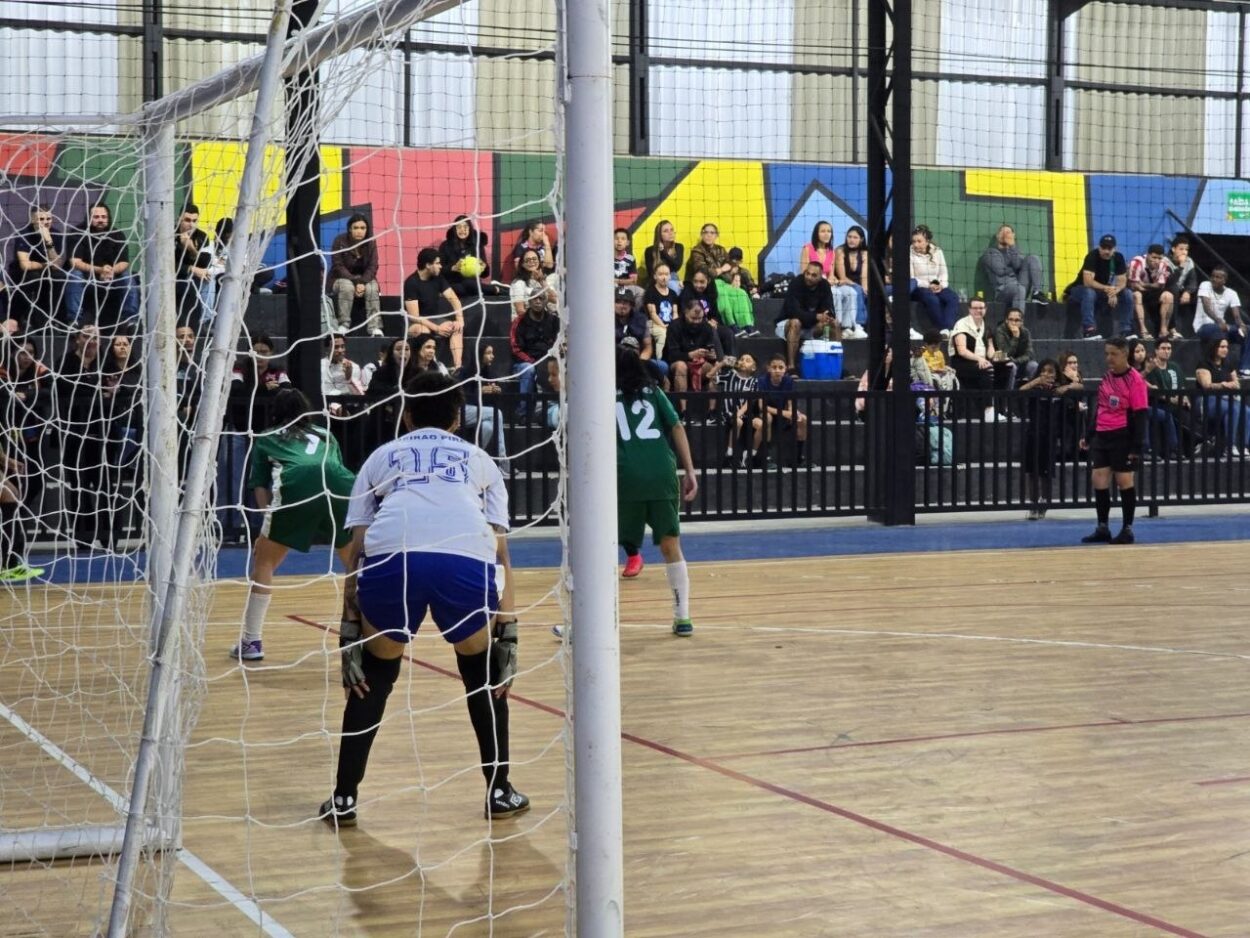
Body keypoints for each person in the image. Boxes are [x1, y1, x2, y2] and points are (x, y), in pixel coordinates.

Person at [320, 370, 527, 826]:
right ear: (457, 418)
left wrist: (349, 628)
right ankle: (499, 791)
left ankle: (344, 799)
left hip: (393, 557)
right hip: (463, 557)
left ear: (407, 415)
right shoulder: (480, 460)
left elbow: (357, 548)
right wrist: (509, 629)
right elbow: (501, 551)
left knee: (373, 678)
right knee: (483, 675)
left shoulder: (381, 457)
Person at [226, 389, 357, 661]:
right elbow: (332, 468)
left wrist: (267, 528)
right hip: (340, 487)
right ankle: (365, 636)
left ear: (275, 411)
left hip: (296, 484)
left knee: (264, 562)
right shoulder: (325, 433)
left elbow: (259, 486)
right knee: (354, 566)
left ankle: (251, 641)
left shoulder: (267, 437)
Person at [613, 345, 698, 637]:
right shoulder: (655, 392)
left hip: (625, 475)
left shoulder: (603, 395)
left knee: (601, 548)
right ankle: (683, 617)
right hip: (662, 473)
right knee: (671, 546)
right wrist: (690, 470)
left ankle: (587, 623)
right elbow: (677, 427)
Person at [1080, 337, 1148, 545]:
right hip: (1103, 434)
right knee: (1098, 479)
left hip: (1122, 435)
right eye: (1107, 354)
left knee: (1124, 481)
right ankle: (1103, 527)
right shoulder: (1107, 377)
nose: (1109, 358)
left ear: (1125, 354)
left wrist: (1136, 446)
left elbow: (1140, 414)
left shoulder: (1135, 380)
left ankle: (1127, 529)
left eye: (1113, 354)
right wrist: (1089, 434)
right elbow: (1100, 408)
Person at [65, 202, 139, 329]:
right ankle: (74, 320)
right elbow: (75, 262)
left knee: (127, 277)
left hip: (111, 276)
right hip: (87, 276)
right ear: (89, 218)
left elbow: (124, 262)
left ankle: (131, 321)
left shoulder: (117, 234)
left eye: (104, 217)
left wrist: (111, 271)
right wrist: (100, 270)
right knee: (75, 275)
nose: (100, 220)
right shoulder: (77, 233)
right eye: (96, 217)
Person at [949, 298, 1010, 422]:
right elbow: (962, 351)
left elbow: (990, 351)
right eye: (975, 308)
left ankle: (1001, 408)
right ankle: (988, 410)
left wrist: (1002, 357)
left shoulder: (986, 326)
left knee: (1007, 367)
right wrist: (980, 359)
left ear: (985, 309)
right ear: (969, 309)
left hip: (981, 360)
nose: (978, 310)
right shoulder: (961, 325)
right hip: (962, 363)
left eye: (981, 308)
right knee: (987, 368)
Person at [663, 298, 724, 421]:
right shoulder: (674, 326)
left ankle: (712, 412)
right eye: (693, 318)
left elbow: (711, 350)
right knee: (681, 366)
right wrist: (691, 355)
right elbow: (672, 355)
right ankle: (683, 411)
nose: (696, 321)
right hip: (677, 363)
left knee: (715, 368)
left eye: (699, 318)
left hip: (700, 364)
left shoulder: (707, 327)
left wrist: (712, 356)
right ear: (685, 312)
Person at [403, 247, 464, 369]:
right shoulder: (411, 282)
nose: (441, 266)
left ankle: (458, 367)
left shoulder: (438, 278)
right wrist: (437, 328)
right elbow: (414, 317)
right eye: (437, 263)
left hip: (435, 319)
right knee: (424, 331)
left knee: (456, 327)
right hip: (415, 323)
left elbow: (454, 300)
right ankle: (430, 366)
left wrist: (460, 320)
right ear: (428, 265)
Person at [9, 204, 66, 329]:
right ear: (33, 220)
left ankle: (51, 319)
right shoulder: (23, 234)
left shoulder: (56, 234)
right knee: (33, 277)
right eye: (41, 219)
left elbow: (56, 266)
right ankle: (20, 317)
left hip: (46, 271)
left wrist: (48, 240)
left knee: (59, 276)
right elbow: (25, 265)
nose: (45, 222)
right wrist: (45, 264)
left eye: (48, 219)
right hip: (22, 273)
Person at [1020, 359, 1062, 520]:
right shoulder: (1034, 388)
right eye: (1043, 371)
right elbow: (1020, 391)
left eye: (1050, 371)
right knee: (1033, 471)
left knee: (1047, 472)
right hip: (1033, 433)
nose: (1046, 374)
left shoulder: (1058, 390)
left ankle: (1044, 501)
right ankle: (1033, 503)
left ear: (1056, 374)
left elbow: (1079, 386)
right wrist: (1036, 381)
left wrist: (1067, 387)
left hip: (1050, 436)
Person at [1068, 234, 1132, 340]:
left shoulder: (1118, 257)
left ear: (1114, 249)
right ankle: (1088, 330)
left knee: (1127, 293)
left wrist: (1115, 291)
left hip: (1102, 291)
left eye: (1109, 248)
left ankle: (1126, 330)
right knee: (1089, 292)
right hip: (1079, 289)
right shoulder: (1092, 256)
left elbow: (1122, 281)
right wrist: (1108, 289)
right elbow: (1088, 282)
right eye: (1103, 248)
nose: (1106, 251)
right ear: (1099, 247)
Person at [1194, 336, 1250, 456]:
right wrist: (1224, 385)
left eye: (1227, 347)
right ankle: (1229, 446)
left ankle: (1244, 446)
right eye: (1222, 347)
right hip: (1206, 400)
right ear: (1214, 348)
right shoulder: (1204, 364)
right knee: (1232, 409)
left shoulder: (1228, 364)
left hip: (1225, 398)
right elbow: (1207, 385)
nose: (1225, 349)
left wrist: (1232, 385)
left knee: (1247, 411)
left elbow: (1236, 384)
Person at [776, 261, 836, 371]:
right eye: (807, 273)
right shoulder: (796, 283)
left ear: (820, 277)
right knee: (796, 323)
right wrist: (816, 317)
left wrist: (827, 317)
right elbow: (793, 312)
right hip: (788, 324)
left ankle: (836, 366)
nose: (809, 277)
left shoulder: (825, 285)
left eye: (813, 275)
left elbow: (830, 310)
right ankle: (791, 367)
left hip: (812, 327)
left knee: (834, 324)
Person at [329, 212, 382, 335]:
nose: (359, 231)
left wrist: (362, 282)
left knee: (373, 287)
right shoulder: (339, 241)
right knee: (347, 286)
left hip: (364, 279)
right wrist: (356, 282)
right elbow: (338, 266)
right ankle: (343, 325)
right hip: (340, 279)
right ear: (350, 229)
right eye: (356, 228)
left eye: (363, 228)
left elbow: (373, 266)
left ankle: (374, 327)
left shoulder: (371, 242)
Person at [753, 353, 808, 469]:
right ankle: (766, 457)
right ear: (768, 368)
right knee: (767, 417)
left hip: (782, 414)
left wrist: (792, 412)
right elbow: (761, 406)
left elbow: (790, 402)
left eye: (781, 367)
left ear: (785, 369)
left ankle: (798, 457)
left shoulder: (788, 381)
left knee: (803, 419)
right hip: (766, 413)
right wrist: (784, 413)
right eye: (774, 367)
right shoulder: (762, 381)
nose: (777, 370)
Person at [460, 342, 510, 468]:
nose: (492, 356)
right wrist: (480, 391)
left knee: (488, 427)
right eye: (488, 353)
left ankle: (471, 460)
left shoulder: (489, 372)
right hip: (463, 411)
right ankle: (503, 460)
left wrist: (497, 390)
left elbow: (492, 397)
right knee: (497, 413)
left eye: (492, 353)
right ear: (479, 355)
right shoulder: (465, 372)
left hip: (479, 413)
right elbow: (461, 395)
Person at [980, 224, 1047, 312]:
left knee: (1032, 258)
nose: (1005, 235)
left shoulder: (1014, 250)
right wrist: (1016, 269)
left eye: (1008, 232)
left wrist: (1012, 246)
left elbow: (1018, 265)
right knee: (1019, 288)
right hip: (1003, 292)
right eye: (1003, 232)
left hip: (1021, 287)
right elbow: (1000, 270)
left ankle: (1037, 293)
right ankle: (1017, 319)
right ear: (997, 236)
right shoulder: (990, 253)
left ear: (1013, 236)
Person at [908, 225, 959, 332]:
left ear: (927, 241)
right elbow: (912, 279)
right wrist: (929, 285)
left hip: (937, 286)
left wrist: (940, 285)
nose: (916, 244)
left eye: (919, 241)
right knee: (932, 299)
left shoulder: (937, 252)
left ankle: (948, 329)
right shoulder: (909, 254)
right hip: (919, 288)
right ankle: (943, 329)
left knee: (952, 297)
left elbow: (943, 273)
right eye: (914, 241)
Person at [1194, 266, 1247, 368]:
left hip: (1222, 328)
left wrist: (1242, 325)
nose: (1214, 279)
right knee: (1219, 329)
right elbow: (1207, 308)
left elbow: (1236, 316)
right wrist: (1219, 321)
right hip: (1203, 327)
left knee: (1248, 331)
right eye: (1213, 276)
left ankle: (1244, 368)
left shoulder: (1231, 293)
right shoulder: (1205, 285)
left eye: (1218, 277)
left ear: (1224, 280)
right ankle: (1220, 367)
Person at [1144, 336, 1185, 460]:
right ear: (1156, 350)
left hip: (1176, 402)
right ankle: (1173, 449)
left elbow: (1182, 386)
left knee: (1187, 413)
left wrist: (1185, 398)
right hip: (1158, 402)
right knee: (1168, 413)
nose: (1167, 351)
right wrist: (1171, 399)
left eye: (1169, 348)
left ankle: (1194, 445)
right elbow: (1154, 390)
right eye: (1163, 348)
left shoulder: (1175, 366)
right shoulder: (1151, 368)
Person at [173, 203, 212, 328]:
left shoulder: (202, 236)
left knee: (208, 279)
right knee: (189, 285)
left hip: (194, 277)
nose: (191, 225)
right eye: (187, 220)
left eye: (194, 221)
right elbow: (168, 266)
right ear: (179, 219)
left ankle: (205, 322)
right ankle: (190, 326)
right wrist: (191, 269)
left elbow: (206, 262)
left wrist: (192, 249)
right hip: (173, 278)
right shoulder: (170, 235)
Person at [439, 214, 493, 298]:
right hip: (453, 283)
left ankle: (497, 289)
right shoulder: (445, 246)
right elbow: (439, 271)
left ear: (470, 228)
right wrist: (452, 268)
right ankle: (495, 289)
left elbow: (485, 274)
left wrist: (484, 267)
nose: (462, 230)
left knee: (469, 284)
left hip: (473, 284)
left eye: (465, 227)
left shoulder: (477, 245)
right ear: (454, 229)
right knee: (460, 288)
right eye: (459, 227)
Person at [1128, 243, 1173, 340]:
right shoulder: (1137, 262)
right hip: (1136, 291)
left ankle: (1163, 330)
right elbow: (1134, 285)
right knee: (1137, 295)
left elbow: (1160, 285)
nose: (1157, 261)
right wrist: (1146, 287)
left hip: (1151, 291)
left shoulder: (1164, 264)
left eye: (1159, 258)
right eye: (1154, 257)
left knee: (1168, 296)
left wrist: (1144, 285)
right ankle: (1143, 330)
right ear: (1148, 255)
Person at [834, 225, 869, 330]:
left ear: (861, 239)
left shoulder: (865, 253)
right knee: (857, 290)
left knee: (868, 293)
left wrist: (865, 288)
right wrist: (859, 287)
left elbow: (864, 276)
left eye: (855, 237)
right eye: (849, 237)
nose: (851, 240)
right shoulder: (840, 251)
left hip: (859, 284)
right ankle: (859, 324)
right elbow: (843, 277)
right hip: (844, 284)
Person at [992, 307, 1037, 385]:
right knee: (1012, 367)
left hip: (1019, 362)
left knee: (1034, 365)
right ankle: (1009, 392)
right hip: (1003, 363)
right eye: (1011, 319)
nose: (1013, 323)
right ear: (1006, 320)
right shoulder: (1000, 331)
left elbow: (1029, 354)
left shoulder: (1025, 332)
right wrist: (1015, 337)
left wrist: (1015, 361)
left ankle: (1030, 391)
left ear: (1021, 322)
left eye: (1017, 320)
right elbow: (1005, 353)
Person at [642, 262, 679, 358]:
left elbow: (675, 313)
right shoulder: (650, 292)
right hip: (655, 323)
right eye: (660, 274)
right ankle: (660, 360)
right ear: (655, 276)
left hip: (670, 324)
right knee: (663, 334)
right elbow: (653, 314)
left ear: (670, 276)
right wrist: (664, 326)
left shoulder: (673, 293)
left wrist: (673, 326)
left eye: (666, 274)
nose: (664, 277)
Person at [321, 333, 365, 411]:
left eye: (342, 346)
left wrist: (349, 378)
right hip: (327, 406)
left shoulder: (354, 367)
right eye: (336, 347)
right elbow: (326, 391)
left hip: (350, 407)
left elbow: (359, 394)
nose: (340, 350)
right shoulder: (320, 366)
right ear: (327, 349)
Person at [1165, 237, 1198, 337]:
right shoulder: (1165, 261)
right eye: (1181, 249)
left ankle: (1196, 330)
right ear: (1173, 249)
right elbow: (1170, 281)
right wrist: (1181, 266)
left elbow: (1193, 281)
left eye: (1186, 249)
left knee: (1199, 293)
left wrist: (1187, 292)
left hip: (1181, 289)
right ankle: (1172, 327)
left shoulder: (1189, 261)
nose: (1184, 252)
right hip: (1167, 288)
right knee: (1174, 289)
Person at [643, 219, 685, 288]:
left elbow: (676, 266)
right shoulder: (650, 250)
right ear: (659, 235)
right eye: (666, 231)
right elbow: (651, 273)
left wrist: (663, 251)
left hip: (671, 277)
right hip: (655, 279)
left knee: (674, 283)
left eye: (671, 230)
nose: (670, 233)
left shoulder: (678, 247)